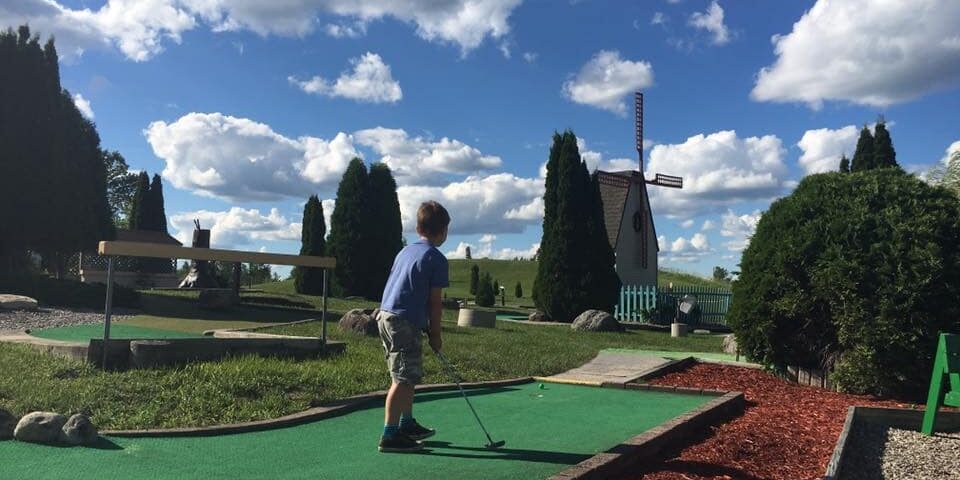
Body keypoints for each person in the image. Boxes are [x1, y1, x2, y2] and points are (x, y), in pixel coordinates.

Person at [376, 200, 450, 453]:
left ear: (418, 227)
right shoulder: (436, 258)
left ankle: (406, 424)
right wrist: (436, 334)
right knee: (404, 378)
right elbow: (435, 302)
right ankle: (389, 434)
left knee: (407, 374)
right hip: (403, 321)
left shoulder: (405, 251)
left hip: (386, 316)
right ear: (443, 231)